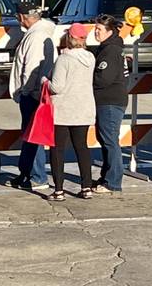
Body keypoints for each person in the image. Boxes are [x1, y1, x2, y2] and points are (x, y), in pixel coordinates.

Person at [8, 1, 55, 192]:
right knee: (29, 135)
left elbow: (32, 68)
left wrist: (26, 90)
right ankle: (27, 172)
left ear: (22, 17)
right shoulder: (40, 33)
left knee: (33, 135)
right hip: (36, 91)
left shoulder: (36, 37)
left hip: (34, 93)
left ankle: (37, 176)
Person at [47, 24, 97, 201]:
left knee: (57, 149)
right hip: (83, 108)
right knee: (82, 147)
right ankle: (86, 187)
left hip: (64, 109)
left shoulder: (64, 59)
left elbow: (57, 87)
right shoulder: (90, 57)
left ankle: (59, 190)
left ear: (69, 38)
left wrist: (45, 82)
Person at [90, 14, 127, 194]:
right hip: (107, 100)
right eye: (95, 29)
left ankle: (113, 180)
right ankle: (107, 175)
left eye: (99, 30)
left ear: (109, 31)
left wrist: (87, 78)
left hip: (110, 101)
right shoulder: (108, 47)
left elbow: (103, 78)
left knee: (110, 140)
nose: (95, 32)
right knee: (105, 139)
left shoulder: (110, 50)